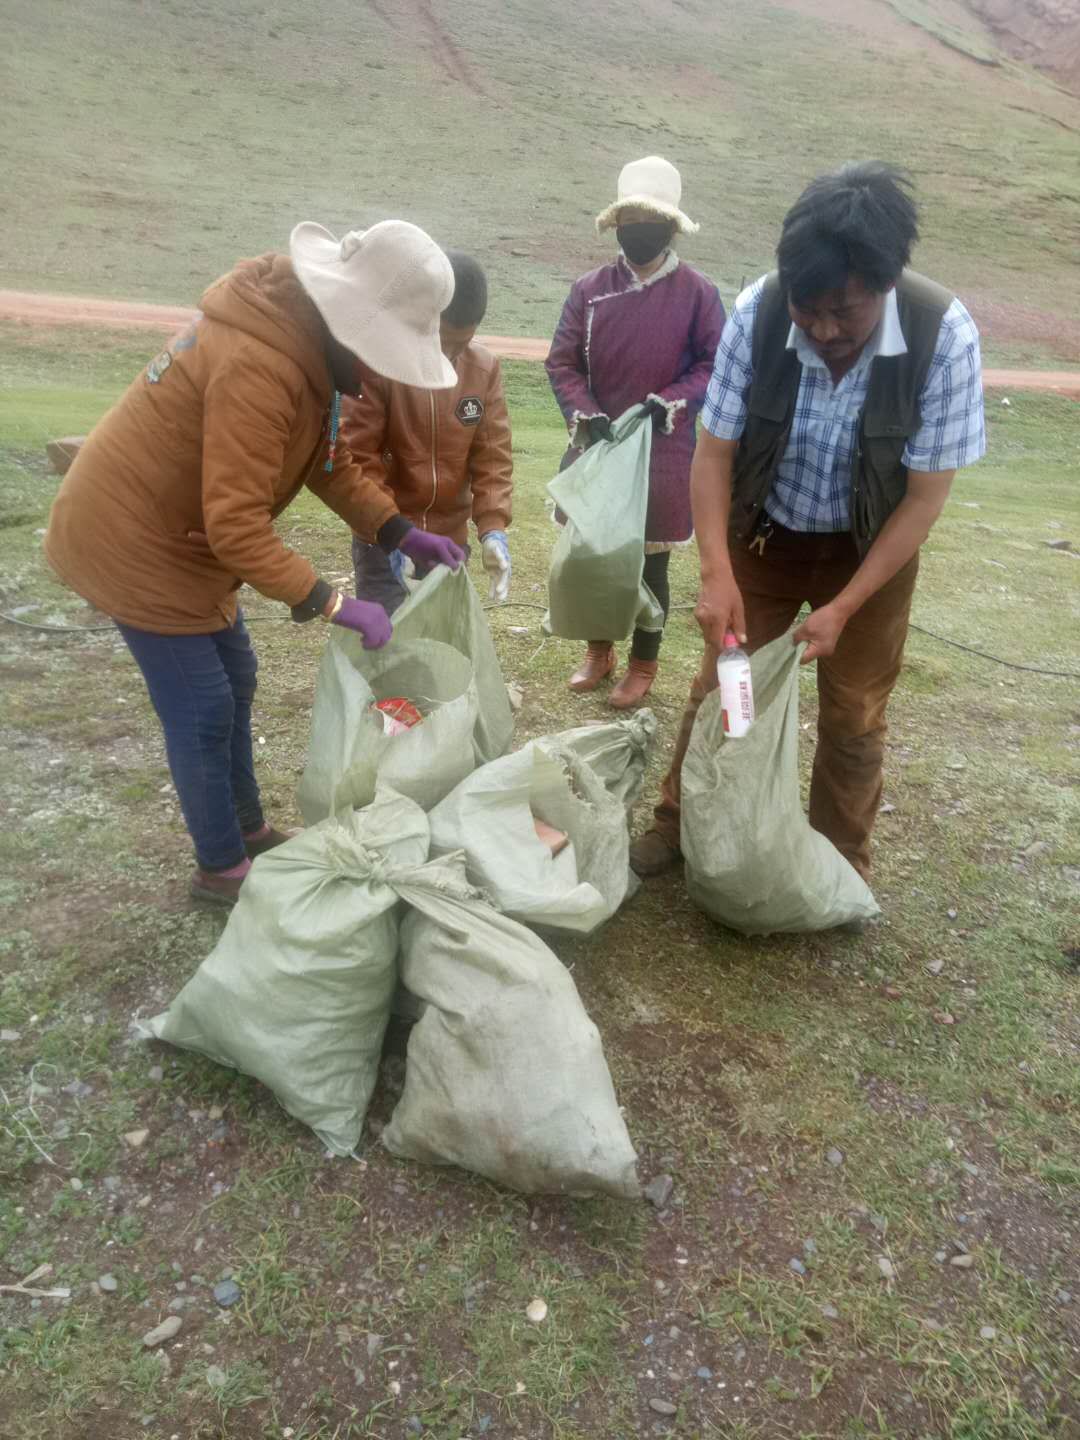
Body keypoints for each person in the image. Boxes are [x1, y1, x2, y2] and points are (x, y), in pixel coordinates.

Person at [45, 221, 465, 906]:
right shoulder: (261, 364)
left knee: (236, 676)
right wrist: (332, 601)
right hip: (133, 540)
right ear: (353, 322)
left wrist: (396, 532)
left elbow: (328, 463)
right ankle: (220, 869)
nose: (379, 377)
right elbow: (236, 525)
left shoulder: (306, 345)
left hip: (185, 538)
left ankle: (248, 829)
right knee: (203, 706)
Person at [630, 162, 986, 885]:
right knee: (726, 686)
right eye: (809, 308)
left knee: (853, 715)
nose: (824, 329)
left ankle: (837, 863)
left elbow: (922, 499)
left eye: (844, 312)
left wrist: (847, 606)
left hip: (869, 561)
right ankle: (680, 821)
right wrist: (717, 573)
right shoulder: (760, 312)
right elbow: (715, 450)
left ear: (884, 286)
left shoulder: (942, 336)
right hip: (762, 542)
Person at [545, 155, 726, 707]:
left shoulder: (699, 293)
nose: (637, 232)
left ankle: (644, 663)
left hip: (662, 448)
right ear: (617, 224)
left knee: (649, 562)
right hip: (599, 444)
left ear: (670, 227)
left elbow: (713, 365)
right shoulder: (590, 288)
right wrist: (586, 413)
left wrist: (666, 402)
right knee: (595, 553)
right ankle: (600, 652)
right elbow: (562, 362)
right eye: (629, 221)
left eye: (649, 222)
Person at [342, 250, 512, 610]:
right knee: (388, 649)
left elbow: (492, 457)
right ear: (423, 319)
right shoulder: (380, 365)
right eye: (442, 340)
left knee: (439, 648)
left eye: (462, 344)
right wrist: (389, 531)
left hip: (447, 544)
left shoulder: (483, 369)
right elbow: (357, 455)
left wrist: (493, 528)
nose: (450, 355)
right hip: (383, 540)